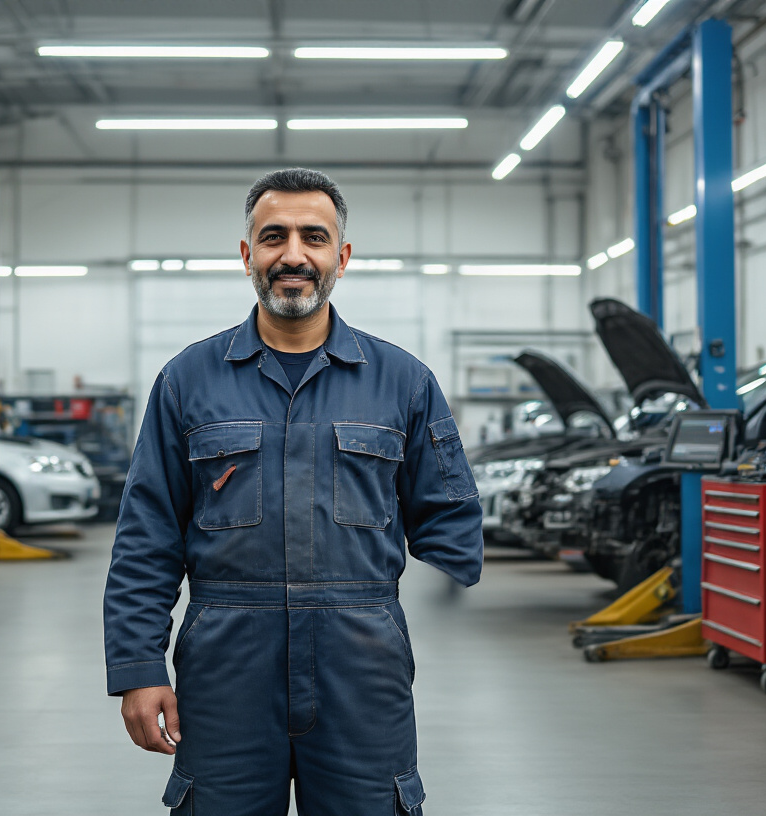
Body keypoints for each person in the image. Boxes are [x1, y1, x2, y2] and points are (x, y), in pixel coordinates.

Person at [103, 168, 483, 815]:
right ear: (248, 254)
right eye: (274, 237)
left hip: (360, 666)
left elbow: (452, 518)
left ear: (342, 256)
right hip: (226, 667)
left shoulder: (403, 382)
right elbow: (148, 536)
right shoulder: (187, 380)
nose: (294, 255)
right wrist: (138, 667)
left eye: (314, 236)